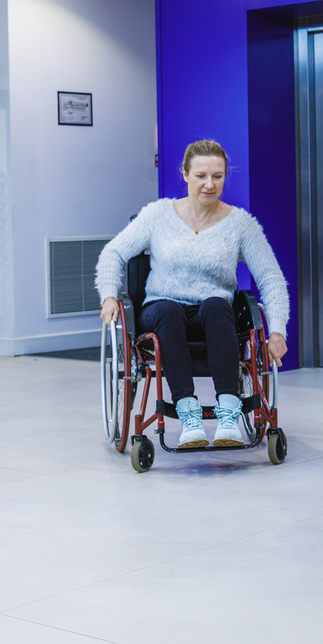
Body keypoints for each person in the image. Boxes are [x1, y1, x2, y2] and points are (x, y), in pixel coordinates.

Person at [95, 140, 289, 449]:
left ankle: (228, 411)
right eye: (200, 175)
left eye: (217, 176)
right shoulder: (157, 215)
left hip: (213, 315)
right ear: (185, 174)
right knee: (169, 311)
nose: (209, 184)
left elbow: (271, 277)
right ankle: (188, 414)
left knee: (216, 305)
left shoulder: (240, 224)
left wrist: (277, 330)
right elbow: (113, 253)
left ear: (225, 176)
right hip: (161, 311)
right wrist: (108, 295)